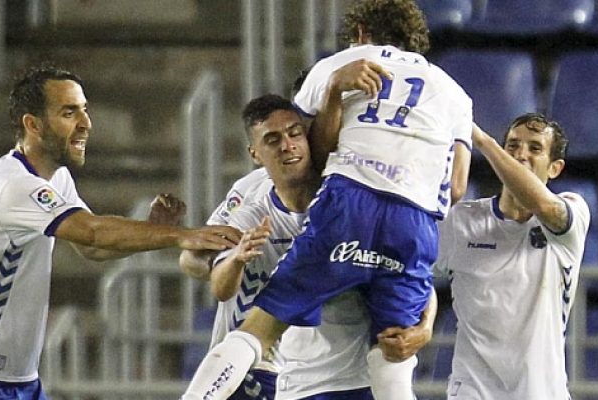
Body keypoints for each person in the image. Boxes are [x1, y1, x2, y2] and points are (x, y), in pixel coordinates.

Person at [181, 1, 473, 399]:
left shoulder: (337, 66)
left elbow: (316, 146)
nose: (291, 144)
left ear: (359, 34)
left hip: (348, 206)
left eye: (296, 133)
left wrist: (336, 90)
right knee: (394, 363)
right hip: (415, 222)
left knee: (256, 332)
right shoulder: (452, 91)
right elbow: (455, 188)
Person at [0, 65, 241, 400]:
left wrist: (154, 230)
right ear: (33, 125)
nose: (86, 123)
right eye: (69, 113)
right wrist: (181, 236)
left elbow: (91, 249)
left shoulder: (53, 178)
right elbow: (92, 232)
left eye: (84, 110)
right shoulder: (12, 186)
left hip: (16, 380)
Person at [181, 93, 437, 400]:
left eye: (295, 133)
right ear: (255, 153)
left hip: (344, 370)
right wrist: (235, 259)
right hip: (265, 367)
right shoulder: (251, 200)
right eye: (273, 139)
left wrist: (426, 327)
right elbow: (210, 275)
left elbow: (407, 271)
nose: (288, 145)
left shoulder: (348, 202)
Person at [434, 115, 590, 400]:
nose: (521, 155)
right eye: (513, 146)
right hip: (472, 390)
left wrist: (483, 141)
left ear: (555, 168)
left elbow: (542, 204)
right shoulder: (459, 221)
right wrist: (423, 320)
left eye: (534, 148)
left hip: (543, 392)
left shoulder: (573, 213)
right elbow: (414, 273)